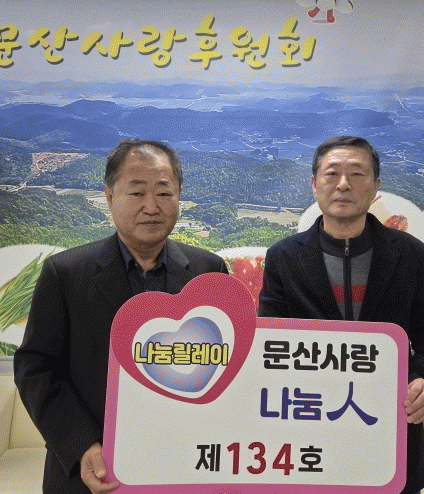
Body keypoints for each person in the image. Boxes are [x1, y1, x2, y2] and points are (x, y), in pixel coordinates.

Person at [14, 139, 228, 494]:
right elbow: (35, 368)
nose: (151, 207)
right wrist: (82, 445)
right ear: (110, 196)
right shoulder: (64, 273)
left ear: (179, 197)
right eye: (137, 193)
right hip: (90, 470)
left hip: (180, 466)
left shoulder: (210, 271)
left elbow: (224, 365)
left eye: (164, 193)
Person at [259, 135, 424, 494]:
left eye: (358, 174)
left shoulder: (413, 255)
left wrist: (422, 379)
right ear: (314, 184)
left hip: (391, 423)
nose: (344, 184)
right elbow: (268, 343)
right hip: (308, 425)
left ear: (376, 186)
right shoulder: (283, 257)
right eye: (332, 174)